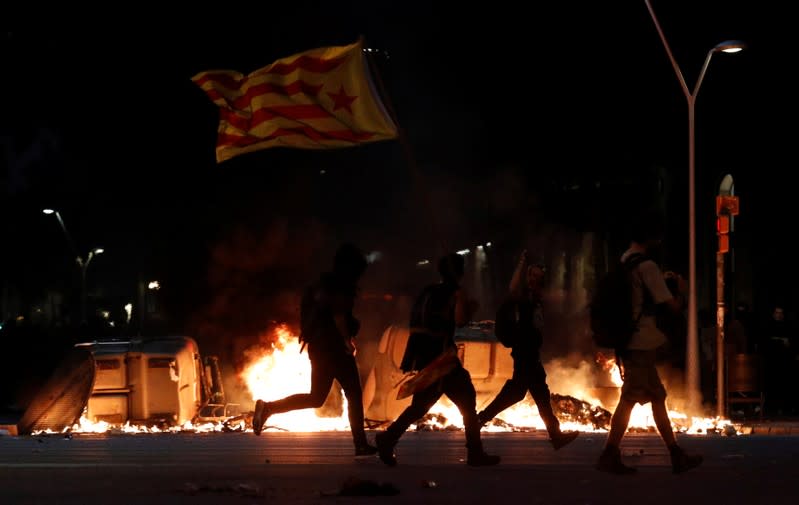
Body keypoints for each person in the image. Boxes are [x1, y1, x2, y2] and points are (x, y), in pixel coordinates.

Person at [596, 209, 703, 474]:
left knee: (657, 397)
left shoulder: (625, 260)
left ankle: (676, 455)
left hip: (627, 340)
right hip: (640, 342)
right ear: (651, 238)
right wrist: (683, 291)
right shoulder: (648, 266)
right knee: (631, 399)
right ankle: (609, 455)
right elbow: (671, 306)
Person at [375, 252, 500, 467]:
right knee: (464, 402)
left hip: (424, 355)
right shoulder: (455, 293)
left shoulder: (427, 292)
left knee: (422, 405)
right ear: (459, 273)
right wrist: (470, 307)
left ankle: (388, 438)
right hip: (442, 359)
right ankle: (475, 453)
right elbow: (460, 320)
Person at [251, 243, 377, 457]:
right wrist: (347, 340)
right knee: (354, 394)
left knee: (316, 397)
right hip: (334, 348)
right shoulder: (340, 285)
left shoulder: (320, 285)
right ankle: (360, 444)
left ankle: (268, 408)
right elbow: (338, 316)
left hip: (318, 348)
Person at [477, 251, 579, 450]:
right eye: (531, 276)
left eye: (538, 277)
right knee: (518, 392)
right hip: (524, 351)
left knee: (537, 393)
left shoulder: (536, 298)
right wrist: (522, 262)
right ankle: (479, 420)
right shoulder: (522, 296)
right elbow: (513, 287)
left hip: (531, 351)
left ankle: (555, 434)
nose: (534, 279)